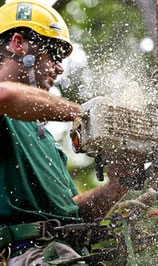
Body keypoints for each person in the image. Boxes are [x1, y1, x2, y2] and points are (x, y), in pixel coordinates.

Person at [0, 1, 141, 265]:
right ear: (19, 43)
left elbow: (72, 211)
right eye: (53, 53)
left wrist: (119, 184)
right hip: (19, 254)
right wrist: (86, 113)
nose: (60, 67)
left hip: (59, 253)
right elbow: (4, 95)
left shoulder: (43, 138)